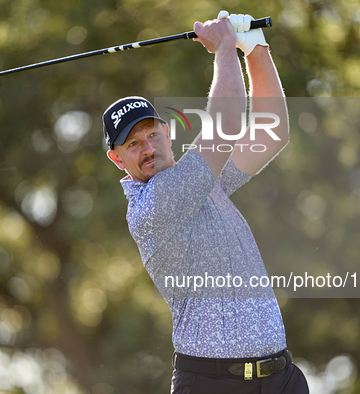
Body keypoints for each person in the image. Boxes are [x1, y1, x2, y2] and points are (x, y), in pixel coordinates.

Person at [102, 11, 309, 394]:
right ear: (118, 159)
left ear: (167, 132)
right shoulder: (151, 208)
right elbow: (227, 122)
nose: (148, 148)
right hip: (214, 384)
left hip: (280, 379)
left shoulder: (202, 182)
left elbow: (272, 133)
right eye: (133, 144)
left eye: (152, 135)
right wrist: (224, 45)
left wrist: (255, 49)